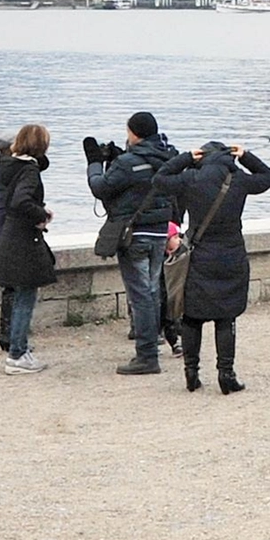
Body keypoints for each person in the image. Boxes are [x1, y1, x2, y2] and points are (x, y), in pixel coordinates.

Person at [152, 141, 270, 394]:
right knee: (226, 315)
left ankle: (191, 373)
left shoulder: (191, 179)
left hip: (199, 256)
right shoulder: (238, 180)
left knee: (193, 316)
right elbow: (268, 177)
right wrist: (246, 156)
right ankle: (226, 374)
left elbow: (160, 179)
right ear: (228, 157)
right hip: (231, 255)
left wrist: (185, 158)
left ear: (203, 158)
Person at [85, 111, 178, 375]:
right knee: (152, 291)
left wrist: (94, 164)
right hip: (160, 232)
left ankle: (147, 355)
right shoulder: (168, 157)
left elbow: (101, 188)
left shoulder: (128, 163)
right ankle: (153, 346)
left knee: (141, 296)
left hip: (134, 235)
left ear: (134, 133)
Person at [0, 124, 56, 375]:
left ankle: (18, 349)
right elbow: (21, 201)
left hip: (6, 234)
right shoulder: (29, 171)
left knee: (18, 294)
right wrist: (41, 215)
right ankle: (17, 353)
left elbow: (9, 202)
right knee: (26, 296)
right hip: (23, 238)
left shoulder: (6, 167)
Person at [0, 135, 16, 352]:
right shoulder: (9, 173)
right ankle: (9, 334)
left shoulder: (3, 170)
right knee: (14, 286)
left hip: (1, 231)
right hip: (9, 233)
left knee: (11, 286)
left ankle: (8, 333)